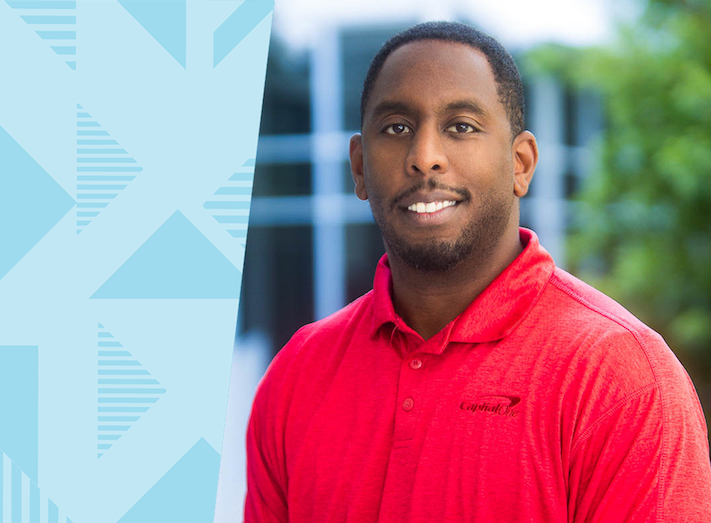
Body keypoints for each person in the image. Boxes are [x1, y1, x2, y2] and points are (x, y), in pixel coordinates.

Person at [244, 21, 711, 522]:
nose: (425, 158)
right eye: (397, 127)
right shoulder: (298, 376)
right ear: (359, 167)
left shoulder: (620, 380)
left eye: (461, 126)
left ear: (521, 164)